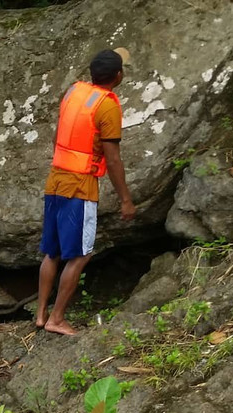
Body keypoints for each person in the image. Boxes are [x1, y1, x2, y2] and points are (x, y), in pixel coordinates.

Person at [36, 48, 137, 336]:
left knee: (51, 252)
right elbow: (113, 158)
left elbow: (59, 136)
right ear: (118, 76)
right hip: (80, 187)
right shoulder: (107, 106)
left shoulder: (73, 93)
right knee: (81, 254)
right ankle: (57, 318)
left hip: (55, 180)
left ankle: (41, 314)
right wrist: (126, 200)